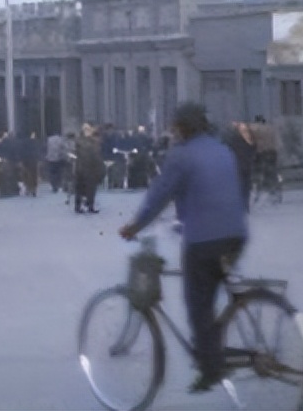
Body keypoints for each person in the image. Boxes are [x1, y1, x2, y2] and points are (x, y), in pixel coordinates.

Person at [119, 102, 248, 394]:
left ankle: (210, 368)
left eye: (175, 126)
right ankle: (213, 350)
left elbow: (160, 194)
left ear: (182, 128)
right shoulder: (221, 148)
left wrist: (134, 226)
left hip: (205, 239)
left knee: (198, 305)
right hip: (236, 234)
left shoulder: (182, 155)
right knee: (212, 292)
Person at [223, 121, 255, 210]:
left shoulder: (232, 140)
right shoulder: (248, 138)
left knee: (239, 186)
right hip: (247, 164)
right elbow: (253, 148)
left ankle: (240, 205)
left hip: (237, 165)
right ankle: (246, 205)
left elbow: (228, 150)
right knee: (246, 186)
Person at [74, 123, 105, 213]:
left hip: (90, 169)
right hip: (83, 168)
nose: (88, 132)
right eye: (86, 130)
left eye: (89, 130)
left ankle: (89, 205)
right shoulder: (82, 141)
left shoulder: (93, 141)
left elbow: (97, 155)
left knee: (90, 188)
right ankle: (79, 206)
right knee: (81, 188)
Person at [249, 116, 278, 198]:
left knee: (259, 172)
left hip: (260, 153)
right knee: (272, 172)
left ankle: (259, 191)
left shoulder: (255, 128)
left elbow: (251, 142)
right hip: (272, 152)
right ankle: (273, 190)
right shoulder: (271, 129)